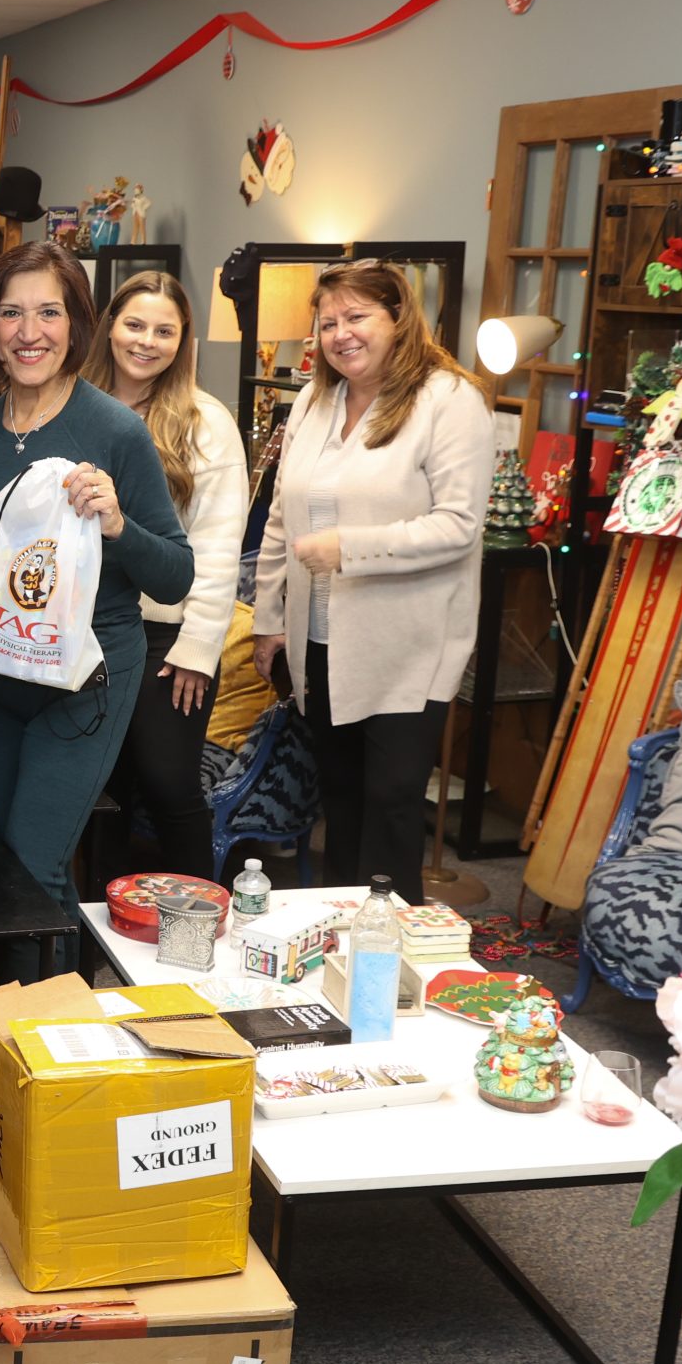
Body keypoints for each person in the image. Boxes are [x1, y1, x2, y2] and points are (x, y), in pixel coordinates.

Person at [0, 243, 194, 907]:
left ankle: (32, 981)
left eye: (48, 312)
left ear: (76, 325)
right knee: (15, 860)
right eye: (11, 313)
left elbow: (176, 576)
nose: (29, 332)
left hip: (86, 680)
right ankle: (58, 976)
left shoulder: (117, 432)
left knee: (33, 866)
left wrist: (118, 523)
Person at [253, 259, 491, 904]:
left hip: (406, 643)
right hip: (319, 640)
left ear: (399, 317)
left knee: (389, 802)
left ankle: (390, 942)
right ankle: (337, 935)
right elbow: (281, 517)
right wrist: (268, 618)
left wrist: (349, 549)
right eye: (328, 322)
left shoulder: (449, 400)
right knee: (341, 801)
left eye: (357, 317)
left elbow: (459, 525)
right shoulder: (314, 399)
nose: (341, 334)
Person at [82, 270, 247, 880]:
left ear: (184, 341)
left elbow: (218, 545)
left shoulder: (206, 421)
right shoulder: (73, 404)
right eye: (134, 325)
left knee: (168, 784)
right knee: (101, 791)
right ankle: (98, 922)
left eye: (164, 331)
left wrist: (198, 647)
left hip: (167, 637)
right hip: (84, 630)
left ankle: (198, 919)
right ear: (109, 327)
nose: (146, 342)